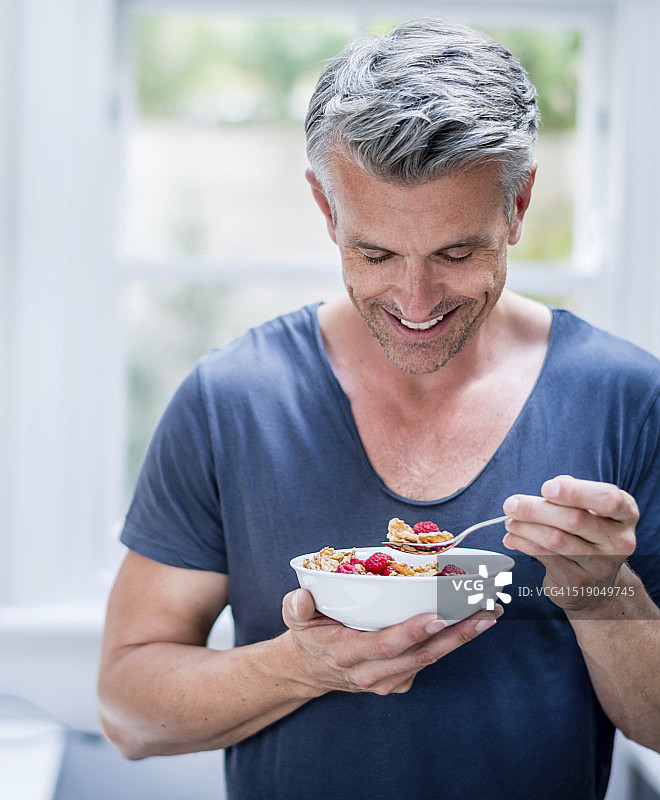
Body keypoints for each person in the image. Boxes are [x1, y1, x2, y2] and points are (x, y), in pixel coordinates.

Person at [98, 18, 660, 800]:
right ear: (327, 210)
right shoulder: (232, 400)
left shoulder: (628, 398)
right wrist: (303, 665)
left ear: (519, 204)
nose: (416, 301)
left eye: (457, 254)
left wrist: (602, 590)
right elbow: (128, 713)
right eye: (375, 254)